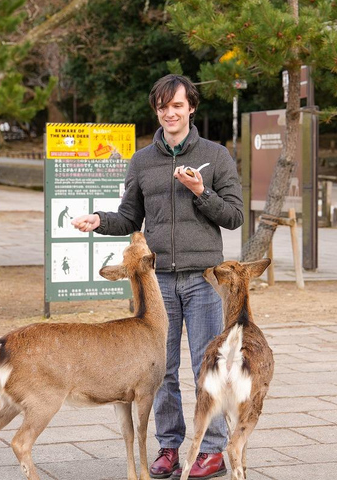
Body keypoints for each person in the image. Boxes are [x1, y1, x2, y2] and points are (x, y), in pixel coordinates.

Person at [72, 74, 243, 479]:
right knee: (158, 369)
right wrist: (99, 220)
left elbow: (235, 217)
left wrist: (202, 192)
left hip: (203, 279)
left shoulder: (216, 156)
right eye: (163, 107)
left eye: (177, 106)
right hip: (155, 282)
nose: (170, 113)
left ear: (192, 108)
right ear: (157, 111)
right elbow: (130, 217)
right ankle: (169, 446)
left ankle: (212, 450)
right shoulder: (142, 160)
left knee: (208, 365)